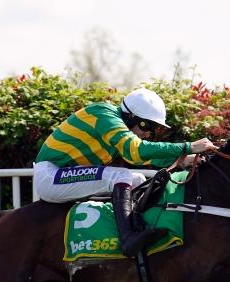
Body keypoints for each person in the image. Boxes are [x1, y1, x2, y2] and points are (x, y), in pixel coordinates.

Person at [33, 87, 218, 257]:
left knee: (136, 179)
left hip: (66, 173)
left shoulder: (114, 124)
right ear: (130, 117)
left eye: (153, 130)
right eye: (147, 126)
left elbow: (143, 157)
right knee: (121, 176)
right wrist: (188, 147)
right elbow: (135, 151)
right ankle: (128, 239)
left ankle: (138, 228)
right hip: (50, 175)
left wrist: (181, 161)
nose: (149, 134)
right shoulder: (104, 114)